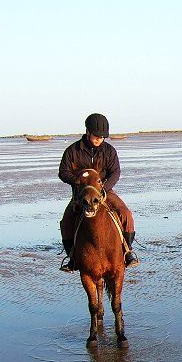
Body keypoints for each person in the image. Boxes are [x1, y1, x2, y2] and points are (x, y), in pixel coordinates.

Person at [58, 113, 139, 271]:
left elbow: (115, 172)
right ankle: (72, 258)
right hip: (80, 194)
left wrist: (104, 189)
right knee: (66, 221)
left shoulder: (109, 151)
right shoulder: (72, 151)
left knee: (126, 214)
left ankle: (127, 252)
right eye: (96, 136)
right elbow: (63, 172)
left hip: (105, 192)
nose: (99, 139)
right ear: (87, 132)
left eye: (102, 137)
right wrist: (79, 182)